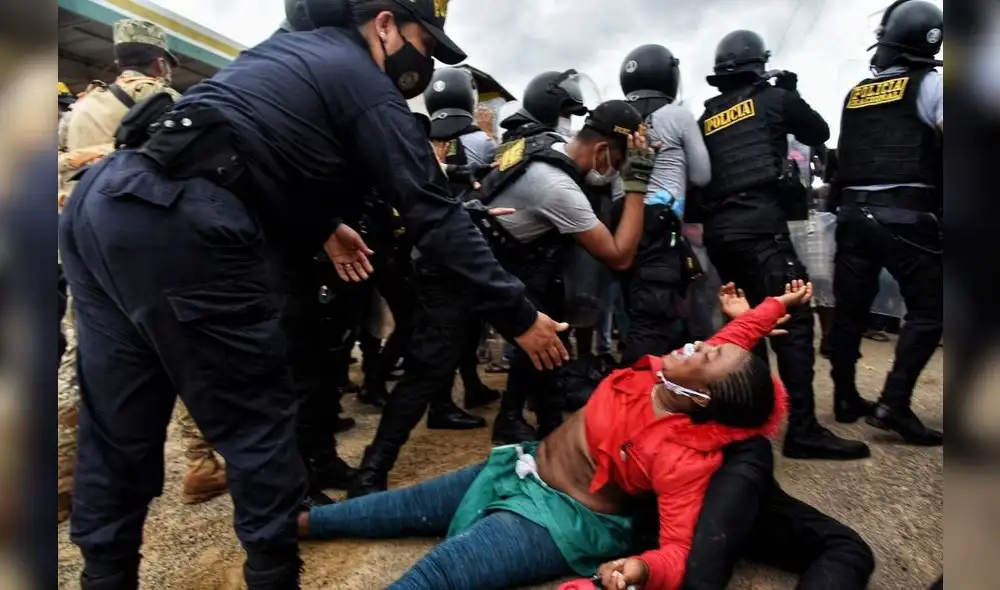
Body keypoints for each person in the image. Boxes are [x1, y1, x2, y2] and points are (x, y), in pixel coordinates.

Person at [57, 1, 569, 587]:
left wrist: (324, 226)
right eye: (424, 43)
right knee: (258, 426)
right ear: (384, 24)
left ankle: (105, 575)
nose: (424, 60)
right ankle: (273, 574)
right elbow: (433, 212)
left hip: (103, 201)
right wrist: (519, 316)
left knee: (117, 425)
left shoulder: (280, 55)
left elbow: (250, 147)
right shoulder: (365, 82)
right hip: (183, 222)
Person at [299, 282, 874, 590]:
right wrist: (777, 305)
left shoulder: (683, 454)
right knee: (380, 511)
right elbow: (737, 338)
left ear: (701, 399)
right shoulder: (680, 375)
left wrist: (642, 569)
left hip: (558, 520)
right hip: (521, 466)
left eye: (707, 356)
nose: (702, 343)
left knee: (438, 575)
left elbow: (682, 550)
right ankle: (287, 525)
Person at [55, 19, 227, 527]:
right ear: (159, 62)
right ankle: (201, 465)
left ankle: (61, 482)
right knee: (186, 350)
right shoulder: (169, 103)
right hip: (156, 253)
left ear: (118, 59)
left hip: (87, 254)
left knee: (81, 364)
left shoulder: (81, 109)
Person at [695, 29, 869, 461]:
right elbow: (818, 130)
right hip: (761, 230)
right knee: (791, 321)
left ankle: (749, 423)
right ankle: (803, 430)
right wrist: (791, 92)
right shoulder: (774, 99)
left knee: (747, 326)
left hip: (721, 235)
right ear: (760, 65)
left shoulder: (706, 118)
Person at [472, 100, 654, 445]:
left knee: (551, 329)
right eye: (619, 161)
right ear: (601, 150)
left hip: (496, 258)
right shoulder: (557, 186)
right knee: (434, 366)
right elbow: (619, 256)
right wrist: (637, 185)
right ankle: (510, 418)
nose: (617, 170)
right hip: (477, 269)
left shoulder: (550, 144)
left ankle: (546, 417)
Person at [827, 0, 943, 446]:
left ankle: (843, 397)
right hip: (906, 216)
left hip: (853, 214)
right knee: (930, 311)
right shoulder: (933, 83)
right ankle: (893, 403)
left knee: (850, 311)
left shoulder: (857, 92)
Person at [617, 44, 712, 365]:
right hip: (661, 225)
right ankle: (636, 386)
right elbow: (702, 175)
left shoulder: (616, 115)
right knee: (655, 316)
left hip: (620, 223)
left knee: (632, 305)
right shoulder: (678, 115)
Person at [500, 69, 589, 141]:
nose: (569, 121)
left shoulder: (516, 141)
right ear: (546, 111)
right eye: (566, 114)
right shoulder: (549, 147)